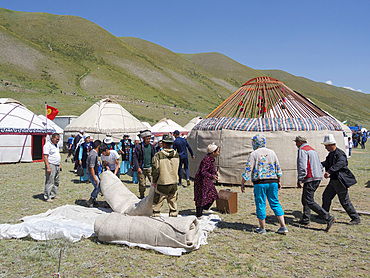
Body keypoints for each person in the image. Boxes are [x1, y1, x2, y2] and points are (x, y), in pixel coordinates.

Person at [241, 134, 288, 234]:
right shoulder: (272, 152)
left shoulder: (254, 154)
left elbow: (248, 169)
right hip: (273, 181)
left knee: (260, 203)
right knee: (275, 202)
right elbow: (277, 167)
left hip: (260, 183)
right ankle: (283, 226)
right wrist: (279, 180)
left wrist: (243, 182)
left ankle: (262, 228)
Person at [294, 136, 335, 231]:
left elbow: (302, 165)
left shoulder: (302, 150)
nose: (296, 144)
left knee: (309, 200)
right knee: (305, 199)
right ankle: (305, 218)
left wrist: (300, 179)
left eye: (296, 142)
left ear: (300, 142)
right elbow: (320, 164)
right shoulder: (313, 150)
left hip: (310, 177)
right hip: (317, 177)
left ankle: (328, 217)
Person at [321, 134, 361, 225]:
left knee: (344, 201)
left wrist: (329, 171)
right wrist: (319, 164)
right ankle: (324, 215)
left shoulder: (340, 154)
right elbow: (327, 163)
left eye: (326, 146)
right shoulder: (331, 154)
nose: (325, 148)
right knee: (326, 196)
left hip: (340, 181)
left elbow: (340, 164)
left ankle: (355, 218)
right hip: (334, 180)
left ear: (331, 145)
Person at [151, 134, 180, 217]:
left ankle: (156, 221)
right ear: (171, 144)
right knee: (173, 205)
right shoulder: (176, 154)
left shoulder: (158, 155)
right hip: (173, 182)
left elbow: (156, 170)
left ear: (163, 143)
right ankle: (173, 221)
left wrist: (154, 181)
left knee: (157, 205)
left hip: (162, 183)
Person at [194, 143, 219, 218]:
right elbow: (203, 171)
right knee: (201, 197)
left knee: (214, 194)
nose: (218, 153)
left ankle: (205, 208)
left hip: (207, 180)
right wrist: (212, 176)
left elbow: (212, 168)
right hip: (201, 180)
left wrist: (215, 172)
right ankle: (199, 214)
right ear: (213, 152)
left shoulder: (211, 159)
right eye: (217, 152)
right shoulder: (206, 160)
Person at [133, 130, 155, 198]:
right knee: (142, 184)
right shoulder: (139, 147)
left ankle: (154, 196)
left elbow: (154, 156)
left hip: (150, 168)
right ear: (143, 139)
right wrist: (138, 167)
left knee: (153, 183)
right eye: (147, 139)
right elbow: (135, 158)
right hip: (141, 168)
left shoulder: (152, 147)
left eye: (149, 139)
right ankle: (142, 196)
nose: (148, 140)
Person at [43, 133, 62, 202]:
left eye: (58, 139)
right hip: (51, 164)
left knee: (56, 181)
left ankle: (53, 194)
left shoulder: (56, 145)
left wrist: (59, 164)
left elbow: (57, 155)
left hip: (56, 164)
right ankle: (47, 196)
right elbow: (45, 157)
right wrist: (48, 167)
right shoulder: (47, 145)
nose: (58, 141)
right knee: (50, 181)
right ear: (52, 138)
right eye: (56, 139)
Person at [86, 140, 102, 208]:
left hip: (94, 172)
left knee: (98, 186)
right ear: (98, 146)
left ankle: (94, 199)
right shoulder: (93, 154)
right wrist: (94, 178)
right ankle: (91, 199)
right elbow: (91, 167)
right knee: (97, 187)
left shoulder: (94, 153)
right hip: (91, 173)